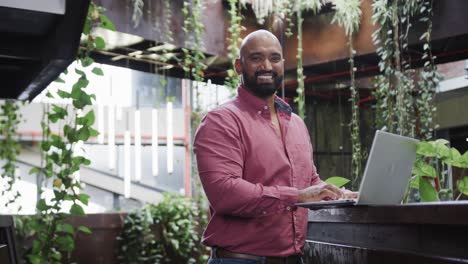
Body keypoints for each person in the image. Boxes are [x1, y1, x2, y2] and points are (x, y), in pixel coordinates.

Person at [193, 29, 357, 264]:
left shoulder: (296, 124)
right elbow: (225, 193)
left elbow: (310, 182)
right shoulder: (222, 120)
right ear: (239, 66)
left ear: (283, 64)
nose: (266, 66)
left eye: (274, 58)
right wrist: (297, 196)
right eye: (256, 58)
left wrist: (340, 195)